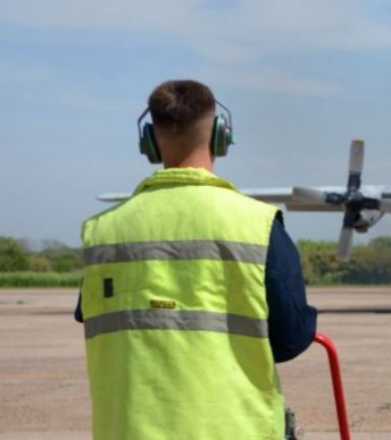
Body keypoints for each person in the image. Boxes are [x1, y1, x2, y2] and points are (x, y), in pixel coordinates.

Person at [75, 79, 317, 439]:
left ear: (149, 140)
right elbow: (291, 339)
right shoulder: (257, 225)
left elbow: (95, 319)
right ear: (221, 134)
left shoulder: (102, 232)